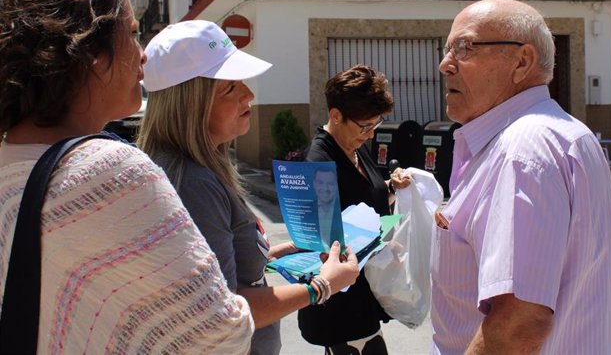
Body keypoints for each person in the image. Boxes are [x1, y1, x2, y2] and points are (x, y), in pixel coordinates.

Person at [0, 0, 254, 353]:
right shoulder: (110, 170)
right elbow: (218, 334)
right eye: (133, 34)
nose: (142, 55)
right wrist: (317, 287)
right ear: (92, 54)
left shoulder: (8, 159)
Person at [136, 20, 359, 355]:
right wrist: (323, 285)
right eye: (230, 88)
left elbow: (210, 270)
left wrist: (272, 255)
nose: (249, 95)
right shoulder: (193, 183)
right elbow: (222, 308)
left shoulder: (188, 170)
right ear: (189, 103)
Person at [431, 0, 611, 354]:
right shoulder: (565, 134)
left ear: (522, 61)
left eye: (465, 47)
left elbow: (518, 325)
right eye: (447, 50)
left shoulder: (520, 150)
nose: (446, 64)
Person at [299, 64, 412, 355]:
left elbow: (364, 198)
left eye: (375, 125)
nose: (371, 134)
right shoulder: (318, 162)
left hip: (363, 293)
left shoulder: (354, 148)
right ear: (336, 115)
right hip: (341, 302)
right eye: (365, 126)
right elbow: (323, 241)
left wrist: (390, 187)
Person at [313, 165, 343, 250]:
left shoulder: (345, 209)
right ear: (314, 184)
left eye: (330, 183)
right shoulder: (304, 212)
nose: (325, 188)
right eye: (320, 183)